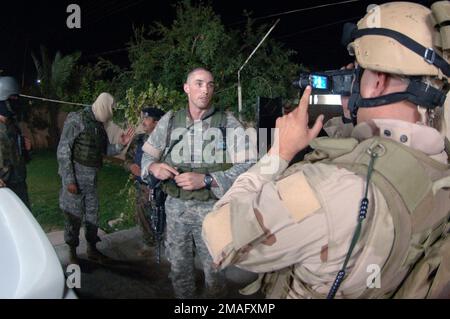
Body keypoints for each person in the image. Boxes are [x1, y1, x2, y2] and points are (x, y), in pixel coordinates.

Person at [202, 2, 450, 299]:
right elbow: (381, 151)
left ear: (378, 82)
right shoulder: (438, 159)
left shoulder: (328, 190)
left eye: (360, 73)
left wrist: (278, 153)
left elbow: (218, 235)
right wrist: (352, 114)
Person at [141, 67, 255, 298]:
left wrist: (207, 179)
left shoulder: (226, 123)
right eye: (199, 83)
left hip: (212, 212)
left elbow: (251, 165)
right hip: (175, 212)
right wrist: (154, 167)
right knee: (179, 270)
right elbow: (147, 156)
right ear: (186, 88)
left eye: (210, 85)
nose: (205, 90)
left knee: (216, 273)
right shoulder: (171, 120)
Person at [57, 92, 134, 264]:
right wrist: (69, 180)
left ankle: (92, 249)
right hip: (75, 179)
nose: (110, 114)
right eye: (110, 110)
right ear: (102, 106)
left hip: (91, 180)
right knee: (73, 217)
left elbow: (105, 150)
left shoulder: (99, 125)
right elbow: (63, 151)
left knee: (92, 216)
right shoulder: (76, 119)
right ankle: (72, 253)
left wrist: (121, 144)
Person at [124, 107, 165, 256]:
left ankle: (168, 244)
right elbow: (127, 159)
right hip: (142, 188)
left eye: (147, 119)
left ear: (157, 122)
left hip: (162, 189)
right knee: (142, 216)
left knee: (164, 217)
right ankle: (149, 243)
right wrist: (131, 166)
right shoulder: (139, 139)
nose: (143, 121)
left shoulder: (165, 141)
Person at [0, 76, 32, 207]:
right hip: (3, 187)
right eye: (11, 99)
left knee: (24, 221)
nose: (15, 102)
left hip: (19, 183)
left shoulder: (13, 126)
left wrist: (26, 149)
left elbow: (20, 157)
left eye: (16, 99)